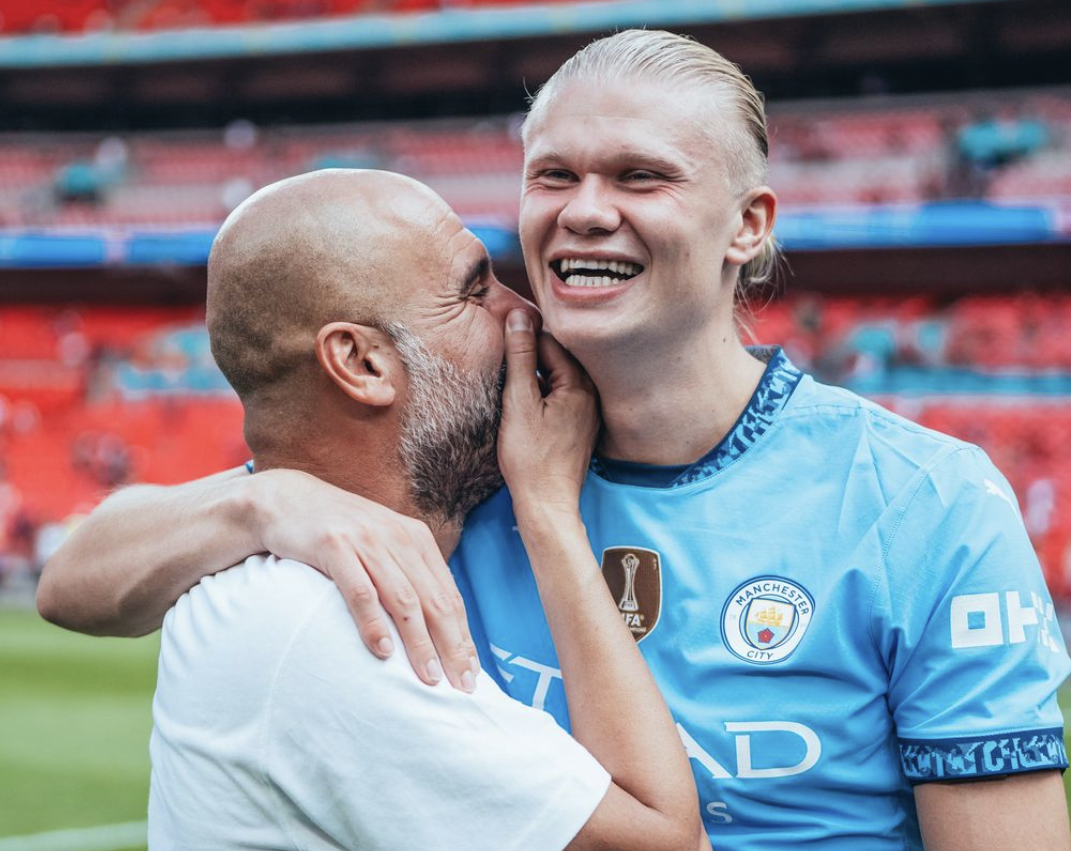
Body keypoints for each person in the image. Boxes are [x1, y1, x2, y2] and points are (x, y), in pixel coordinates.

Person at [38, 30, 1071, 850]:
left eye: (638, 177)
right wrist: (260, 498)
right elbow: (76, 578)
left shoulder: (923, 499)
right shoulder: (454, 460)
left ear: (748, 225)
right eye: (552, 176)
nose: (584, 212)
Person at [137, 168, 705, 850]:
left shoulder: (268, 558)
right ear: (362, 364)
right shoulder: (332, 629)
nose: (525, 311)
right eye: (474, 291)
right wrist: (549, 507)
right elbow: (669, 845)